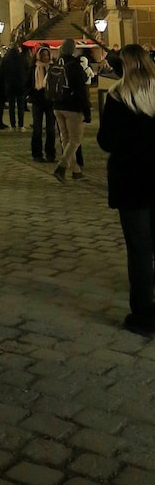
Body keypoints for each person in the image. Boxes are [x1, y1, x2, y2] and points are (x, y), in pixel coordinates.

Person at [97, 44, 155, 336]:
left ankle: (144, 313)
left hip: (131, 181)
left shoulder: (118, 95)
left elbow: (107, 140)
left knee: (140, 249)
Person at [51, 38, 91, 183]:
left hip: (57, 105)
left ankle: (76, 171)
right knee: (75, 140)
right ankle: (61, 167)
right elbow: (81, 90)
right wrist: (87, 110)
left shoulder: (57, 63)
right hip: (72, 107)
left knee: (65, 139)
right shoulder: (74, 65)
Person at [27, 45, 56, 162]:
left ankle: (50, 153)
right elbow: (28, 82)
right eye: (43, 55)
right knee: (37, 128)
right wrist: (30, 94)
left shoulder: (53, 68)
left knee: (50, 129)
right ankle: (37, 154)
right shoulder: (33, 68)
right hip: (38, 100)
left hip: (50, 101)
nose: (45, 57)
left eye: (47, 55)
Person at [0, 41, 28, 131]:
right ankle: (21, 125)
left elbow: (1, 71)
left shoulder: (5, 59)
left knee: (11, 106)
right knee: (20, 106)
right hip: (20, 84)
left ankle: (13, 125)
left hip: (9, 84)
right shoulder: (22, 58)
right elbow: (27, 69)